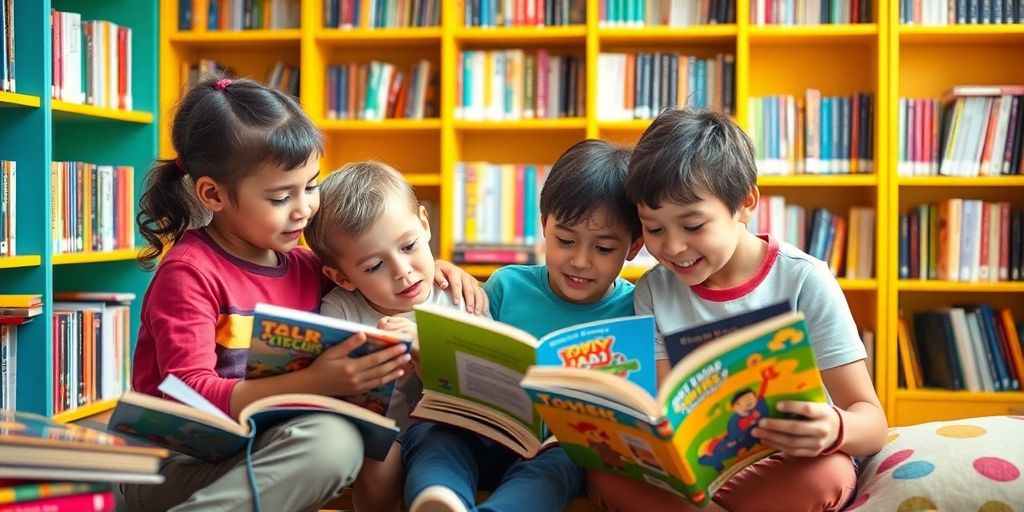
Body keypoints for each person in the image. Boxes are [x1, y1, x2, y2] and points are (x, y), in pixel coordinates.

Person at [122, 76, 482, 512]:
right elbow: (190, 395)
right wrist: (313, 383)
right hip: (175, 461)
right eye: (280, 197)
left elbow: (374, 274)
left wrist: (438, 270)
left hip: (263, 452)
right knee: (334, 443)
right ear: (213, 194)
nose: (304, 209)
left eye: (311, 185)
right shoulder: (189, 272)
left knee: (341, 437)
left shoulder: (307, 266)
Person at [587, 108, 888, 512]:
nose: (673, 248)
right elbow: (663, 415)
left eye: (693, 226)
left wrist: (835, 427)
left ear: (745, 203)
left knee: (827, 477)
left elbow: (872, 424)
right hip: (695, 473)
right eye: (654, 229)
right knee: (602, 474)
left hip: (781, 464)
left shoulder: (804, 280)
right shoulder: (654, 290)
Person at [401, 139, 644, 512]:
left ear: (633, 246)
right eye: (565, 240)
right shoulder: (506, 285)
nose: (580, 261)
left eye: (603, 249)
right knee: (433, 436)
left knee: (565, 463)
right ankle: (440, 496)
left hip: (558, 449)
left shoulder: (635, 309)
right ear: (544, 225)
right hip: (484, 435)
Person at [304, 160, 488, 511]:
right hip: (381, 437)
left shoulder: (461, 300)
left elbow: (484, 395)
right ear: (342, 277)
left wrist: (427, 355)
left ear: (424, 223)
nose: (403, 272)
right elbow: (335, 396)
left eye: (408, 247)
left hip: (450, 437)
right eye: (374, 267)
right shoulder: (340, 312)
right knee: (379, 463)